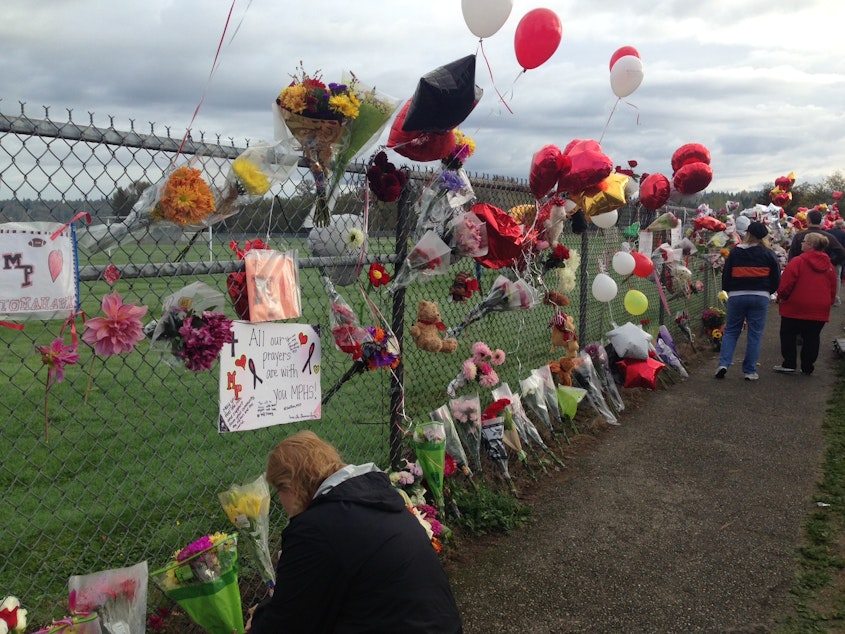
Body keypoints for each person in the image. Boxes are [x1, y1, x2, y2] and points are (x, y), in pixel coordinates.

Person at [245, 430, 463, 634]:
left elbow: (289, 621)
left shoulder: (316, 528)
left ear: (291, 487)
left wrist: (259, 620)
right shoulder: (376, 498)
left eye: (279, 491)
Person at [714, 221, 781, 381]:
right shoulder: (768, 253)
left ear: (748, 234)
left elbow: (726, 275)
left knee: (731, 331)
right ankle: (750, 371)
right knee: (755, 334)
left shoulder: (735, 252)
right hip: (760, 295)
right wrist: (768, 291)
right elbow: (776, 277)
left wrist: (729, 289)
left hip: (737, 295)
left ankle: (723, 364)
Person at [774, 232, 837, 375]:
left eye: (804, 241)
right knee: (812, 337)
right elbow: (832, 287)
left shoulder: (798, 262)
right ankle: (807, 366)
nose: (801, 244)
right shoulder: (829, 266)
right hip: (819, 307)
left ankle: (789, 363)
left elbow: (787, 283)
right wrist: (829, 301)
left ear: (810, 245)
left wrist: (781, 296)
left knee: (788, 334)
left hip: (796, 305)